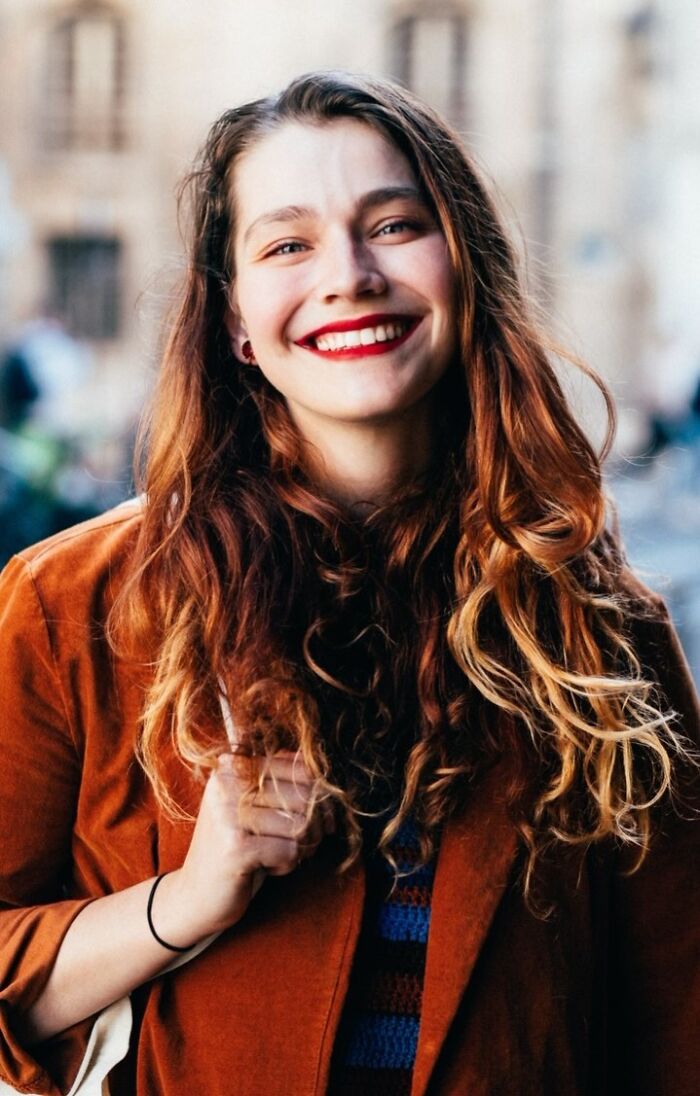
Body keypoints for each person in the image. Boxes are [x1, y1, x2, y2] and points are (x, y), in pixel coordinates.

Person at [0, 71, 698, 1096]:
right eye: (287, 244)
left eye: (394, 225)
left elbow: (677, 1015)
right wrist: (188, 899)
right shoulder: (76, 606)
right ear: (236, 320)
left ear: (464, 271)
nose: (350, 274)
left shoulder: (593, 628)